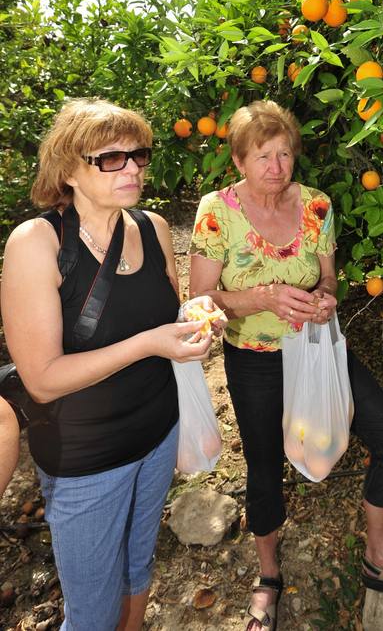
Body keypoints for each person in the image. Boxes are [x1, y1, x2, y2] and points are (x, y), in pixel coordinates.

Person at [189, 99, 383, 631]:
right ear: (239, 161)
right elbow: (200, 300)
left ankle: (380, 558)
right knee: (264, 470)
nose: (277, 167)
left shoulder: (316, 206)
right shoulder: (217, 211)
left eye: (285, 154)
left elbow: (329, 279)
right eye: (263, 156)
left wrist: (327, 297)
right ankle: (268, 575)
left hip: (318, 350)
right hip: (254, 360)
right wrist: (261, 296)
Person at [1, 98, 221, 631]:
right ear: (69, 169)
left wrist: (198, 318)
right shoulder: (38, 243)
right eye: (111, 158)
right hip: (86, 459)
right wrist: (149, 343)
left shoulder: (154, 228)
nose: (133, 169)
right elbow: (43, 380)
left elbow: (170, 312)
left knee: (136, 569)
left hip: (157, 433)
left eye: (139, 156)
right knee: (93, 611)